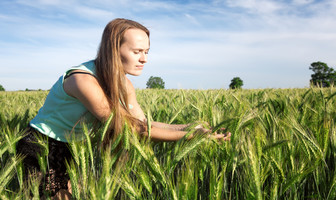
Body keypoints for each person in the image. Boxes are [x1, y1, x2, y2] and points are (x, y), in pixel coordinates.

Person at [16, 18, 231, 199]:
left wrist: (190, 127)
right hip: (42, 146)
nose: (144, 59)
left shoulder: (125, 84)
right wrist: (191, 137)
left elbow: (142, 123)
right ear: (113, 49)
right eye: (137, 51)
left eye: (147, 51)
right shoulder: (83, 81)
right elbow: (128, 128)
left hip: (74, 147)